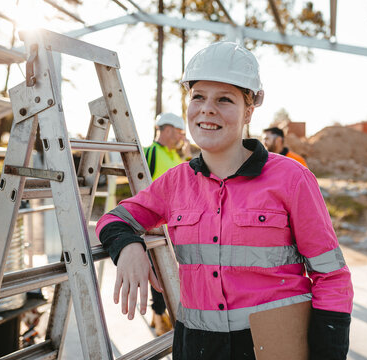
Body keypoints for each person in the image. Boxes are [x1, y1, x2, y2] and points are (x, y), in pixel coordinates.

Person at [96, 41, 353, 360]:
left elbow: (331, 276)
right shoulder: (175, 183)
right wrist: (128, 247)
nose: (207, 109)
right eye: (198, 97)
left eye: (224, 99)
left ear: (249, 110)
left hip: (276, 347)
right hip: (198, 348)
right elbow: (114, 219)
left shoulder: (292, 178)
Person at [143, 112, 186, 335]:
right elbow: (141, 187)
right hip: (155, 227)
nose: (181, 137)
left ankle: (157, 315)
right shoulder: (150, 153)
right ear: (167, 130)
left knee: (169, 274)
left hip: (174, 229)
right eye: (179, 133)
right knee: (158, 273)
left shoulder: (174, 156)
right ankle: (159, 315)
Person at [145, 112, 186, 181]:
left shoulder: (174, 154)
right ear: (168, 131)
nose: (182, 138)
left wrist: (188, 156)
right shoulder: (148, 152)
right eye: (180, 132)